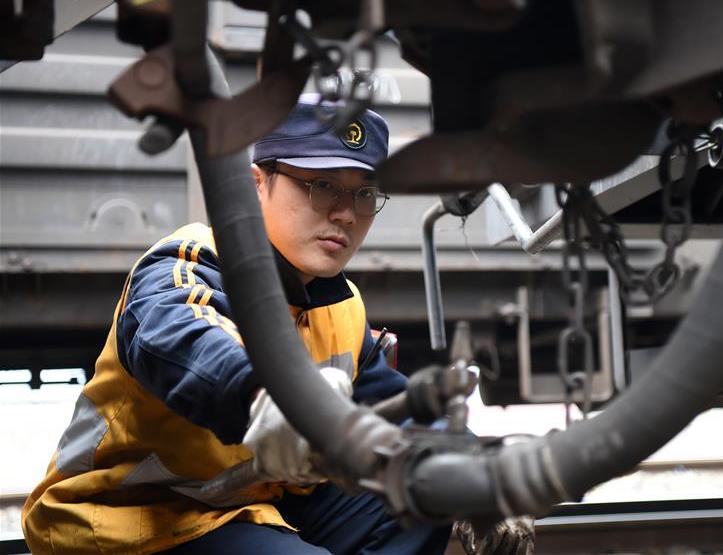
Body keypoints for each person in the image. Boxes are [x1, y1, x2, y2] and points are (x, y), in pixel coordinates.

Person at [21, 97, 452, 554]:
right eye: (323, 186)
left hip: (251, 502)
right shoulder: (188, 264)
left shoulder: (342, 307)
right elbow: (183, 337)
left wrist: (477, 477)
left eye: (364, 193)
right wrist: (264, 395)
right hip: (130, 516)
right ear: (255, 185)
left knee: (426, 485)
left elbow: (396, 409)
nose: (346, 213)